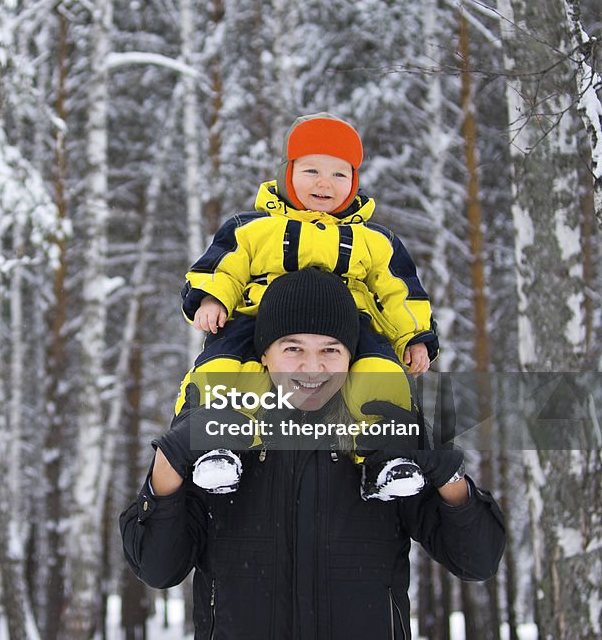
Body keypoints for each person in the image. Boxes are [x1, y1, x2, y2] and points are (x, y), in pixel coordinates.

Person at [122, 269, 506, 640]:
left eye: (330, 350)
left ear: (351, 357)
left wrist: (446, 474)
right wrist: (170, 457)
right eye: (293, 349)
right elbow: (158, 568)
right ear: (265, 356)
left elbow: (477, 560)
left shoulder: (380, 441)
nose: (312, 367)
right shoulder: (223, 450)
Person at [175, 113, 438, 499]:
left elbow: (399, 291)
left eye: (339, 175)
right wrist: (213, 298)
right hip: (258, 317)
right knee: (226, 365)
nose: (324, 183)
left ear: (354, 182)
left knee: (379, 371)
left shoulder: (374, 240)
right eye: (312, 169)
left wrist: (414, 336)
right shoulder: (253, 228)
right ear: (287, 172)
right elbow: (223, 267)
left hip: (349, 325)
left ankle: (386, 455)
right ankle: (216, 444)